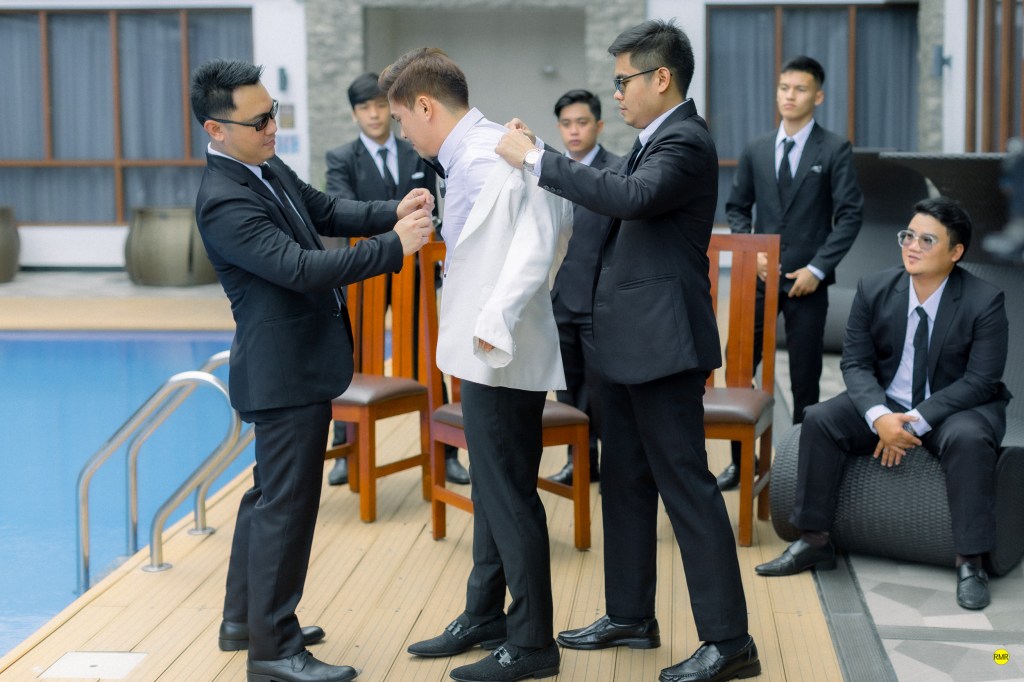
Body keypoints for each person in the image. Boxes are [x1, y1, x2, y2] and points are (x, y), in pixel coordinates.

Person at [497, 19, 760, 682]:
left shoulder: (686, 141)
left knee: (687, 488)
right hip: (622, 342)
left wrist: (536, 160)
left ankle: (730, 642)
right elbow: (608, 199)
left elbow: (629, 197)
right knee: (623, 481)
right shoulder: (650, 141)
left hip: (664, 346)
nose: (615, 94)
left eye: (622, 81)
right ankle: (630, 613)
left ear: (660, 78)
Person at [191, 58, 435, 682]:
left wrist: (392, 209)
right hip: (284, 372)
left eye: (273, 113)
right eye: (259, 121)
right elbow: (298, 268)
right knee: (288, 507)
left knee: (268, 498)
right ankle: (274, 650)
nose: (273, 127)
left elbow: (323, 211)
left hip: (294, 363)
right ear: (216, 130)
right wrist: (395, 247)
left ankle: (245, 621)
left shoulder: (263, 167)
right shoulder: (224, 199)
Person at [380, 48, 573, 682]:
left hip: (499, 348)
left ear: (425, 106)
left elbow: (546, 234)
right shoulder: (470, 155)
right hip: (481, 347)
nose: (402, 133)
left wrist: (497, 321)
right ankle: (485, 612)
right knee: (491, 486)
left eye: (401, 120)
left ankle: (533, 641)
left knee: (509, 492)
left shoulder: (496, 153)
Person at [756, 197, 1011, 612]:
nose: (912, 246)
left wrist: (911, 423)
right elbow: (855, 363)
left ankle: (971, 562)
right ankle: (814, 540)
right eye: (908, 236)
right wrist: (879, 418)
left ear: (956, 252)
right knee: (819, 419)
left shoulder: (985, 300)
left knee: (968, 438)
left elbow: (980, 381)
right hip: (888, 399)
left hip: (954, 407)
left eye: (927, 240)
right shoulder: (874, 288)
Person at [718, 55, 863, 491]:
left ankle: (800, 468)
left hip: (808, 283)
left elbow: (850, 215)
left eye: (800, 89)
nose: (790, 96)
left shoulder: (834, 149)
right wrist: (752, 253)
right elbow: (737, 208)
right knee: (738, 368)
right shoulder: (757, 148)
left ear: (818, 96)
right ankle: (740, 463)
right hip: (758, 278)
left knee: (804, 378)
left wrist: (818, 268)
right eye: (784, 88)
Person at [323, 72, 469, 487]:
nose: (373, 114)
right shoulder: (340, 158)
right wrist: (393, 229)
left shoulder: (415, 149)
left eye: (378, 105)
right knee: (351, 358)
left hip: (416, 272)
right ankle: (345, 450)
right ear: (354, 113)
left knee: (429, 357)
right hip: (363, 276)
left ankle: (446, 453)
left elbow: (434, 207)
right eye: (363, 107)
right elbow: (341, 208)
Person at [545, 89, 620, 488]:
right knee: (567, 386)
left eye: (582, 122)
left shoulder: (617, 171)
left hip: (600, 301)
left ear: (599, 125)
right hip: (558, 298)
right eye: (566, 124)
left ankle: (615, 467)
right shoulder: (548, 171)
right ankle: (580, 461)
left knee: (604, 390)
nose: (574, 131)